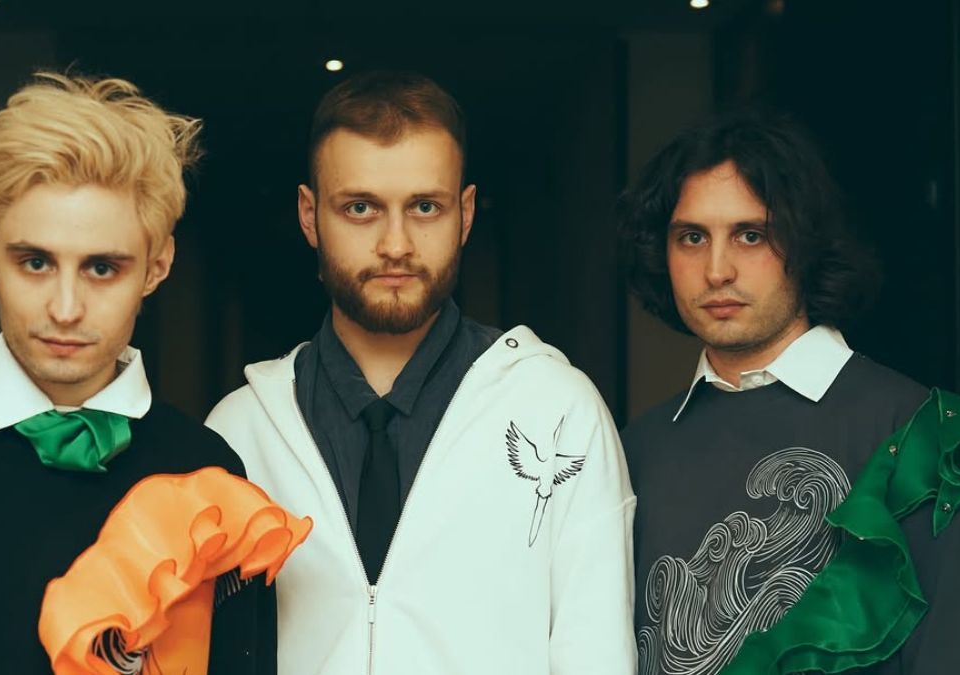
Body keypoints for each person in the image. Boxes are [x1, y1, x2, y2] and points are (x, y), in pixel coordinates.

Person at [0, 71, 310, 675]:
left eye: (102, 268)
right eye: (35, 262)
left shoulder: (206, 471)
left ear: (157, 267)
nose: (65, 308)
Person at [206, 71, 637, 674]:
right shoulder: (237, 432)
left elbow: (597, 655)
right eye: (361, 208)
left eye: (425, 207)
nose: (396, 244)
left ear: (465, 214)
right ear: (309, 215)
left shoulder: (558, 410)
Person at [618, 111, 960, 675]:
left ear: (806, 243)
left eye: (751, 235)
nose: (716, 270)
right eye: (692, 237)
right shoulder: (635, 449)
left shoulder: (918, 437)